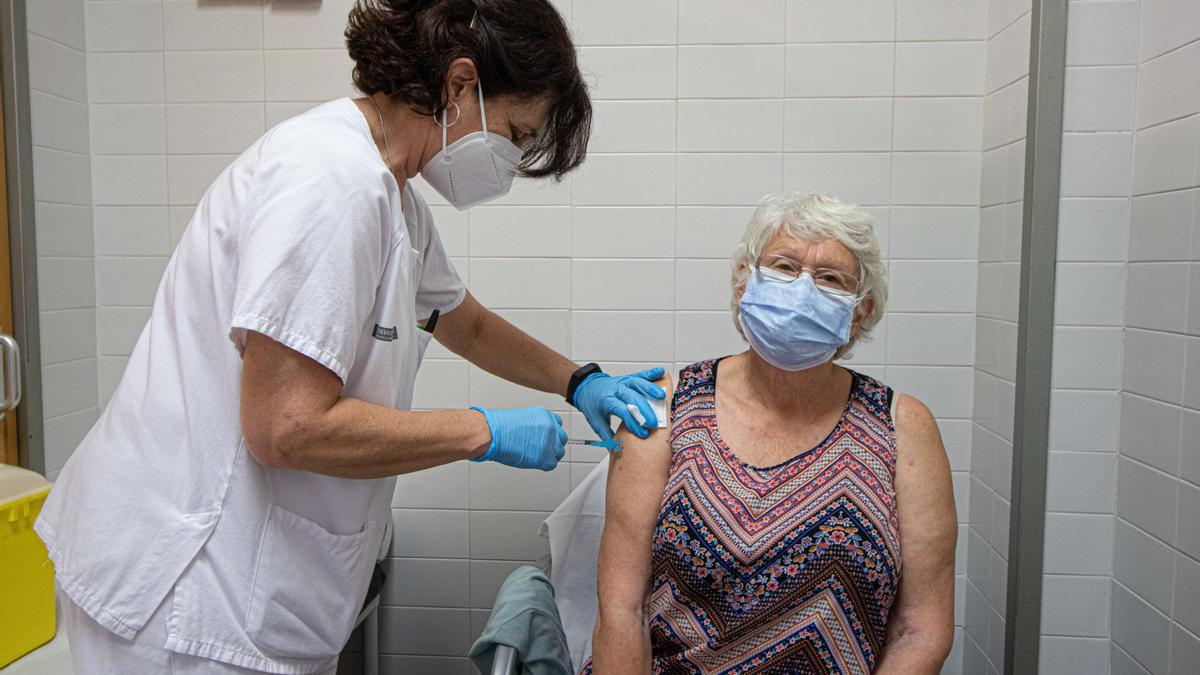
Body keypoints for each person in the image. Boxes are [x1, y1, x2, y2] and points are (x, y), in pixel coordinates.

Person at [34, 1, 666, 672]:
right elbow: (285, 424)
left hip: (244, 586)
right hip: (185, 595)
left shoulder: (393, 195)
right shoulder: (331, 182)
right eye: (513, 131)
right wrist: (481, 430)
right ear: (458, 86)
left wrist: (578, 378)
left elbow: (464, 320)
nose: (508, 162)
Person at [585, 193, 958, 674]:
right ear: (744, 283)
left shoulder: (902, 426)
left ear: (859, 312)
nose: (802, 290)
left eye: (830, 279)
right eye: (783, 267)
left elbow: (921, 630)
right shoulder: (666, 406)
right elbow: (621, 611)